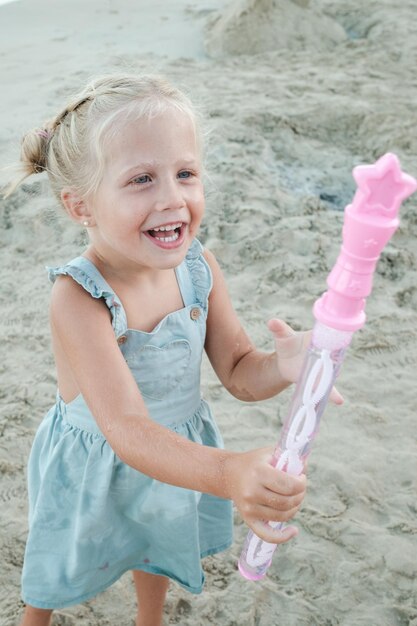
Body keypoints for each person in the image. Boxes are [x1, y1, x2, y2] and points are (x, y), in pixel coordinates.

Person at [5, 73, 342, 626]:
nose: (172, 199)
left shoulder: (197, 267)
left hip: (177, 458)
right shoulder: (78, 298)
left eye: (185, 173)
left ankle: (150, 618)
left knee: (154, 545)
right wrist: (230, 471)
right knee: (58, 566)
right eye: (141, 179)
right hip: (96, 460)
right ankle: (35, 619)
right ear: (80, 205)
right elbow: (129, 429)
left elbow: (237, 370)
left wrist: (283, 365)